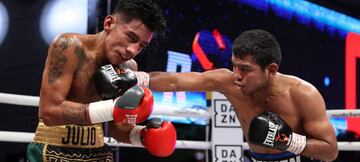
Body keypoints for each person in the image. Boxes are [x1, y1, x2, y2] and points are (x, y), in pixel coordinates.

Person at [133, 29, 338, 161]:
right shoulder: (228, 81)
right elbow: (175, 81)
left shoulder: (303, 94)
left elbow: (330, 150)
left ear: (271, 69)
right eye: (234, 66)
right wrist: (136, 80)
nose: (237, 76)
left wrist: (286, 140)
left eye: (246, 69)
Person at [26, 0, 176, 161]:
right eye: (131, 37)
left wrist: (142, 136)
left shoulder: (129, 66)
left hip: (97, 153)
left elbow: (118, 129)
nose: (133, 50)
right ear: (109, 23)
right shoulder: (69, 47)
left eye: (141, 46)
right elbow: (49, 112)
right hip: (52, 151)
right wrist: (111, 109)